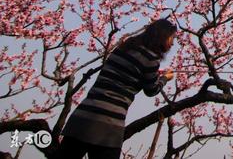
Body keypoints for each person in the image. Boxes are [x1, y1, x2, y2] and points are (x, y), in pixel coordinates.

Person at [56, 19, 177, 159]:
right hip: (108, 123)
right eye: (172, 38)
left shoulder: (124, 47)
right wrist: (164, 79)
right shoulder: (151, 59)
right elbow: (151, 90)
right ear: (162, 36)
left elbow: (126, 72)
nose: (172, 43)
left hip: (82, 116)